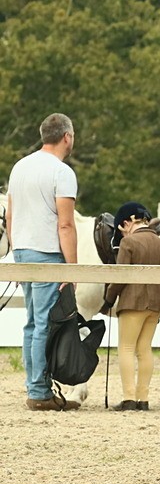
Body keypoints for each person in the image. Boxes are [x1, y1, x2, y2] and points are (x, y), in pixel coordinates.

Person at [6, 113, 79, 411]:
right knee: (44, 326)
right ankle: (38, 392)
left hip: (22, 249)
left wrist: (16, 253)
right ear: (67, 137)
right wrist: (72, 268)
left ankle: (35, 386)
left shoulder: (19, 166)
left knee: (31, 324)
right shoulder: (61, 172)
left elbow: (10, 215)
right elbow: (65, 224)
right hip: (47, 253)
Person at [100, 202, 160, 411]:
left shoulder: (129, 243)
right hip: (155, 305)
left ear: (126, 223)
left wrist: (108, 300)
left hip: (132, 302)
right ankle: (143, 399)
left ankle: (129, 398)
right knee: (144, 350)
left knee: (125, 348)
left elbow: (120, 276)